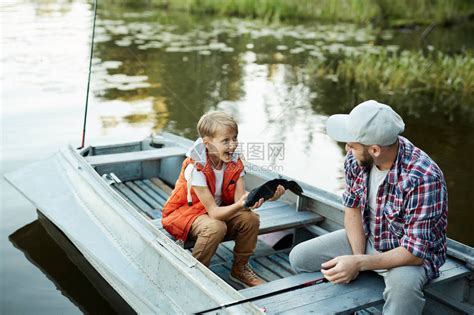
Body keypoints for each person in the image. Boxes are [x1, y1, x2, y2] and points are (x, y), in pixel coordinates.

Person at [289, 100, 448, 314]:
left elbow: (414, 253)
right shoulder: (356, 158)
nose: (347, 148)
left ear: (374, 149)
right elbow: (352, 209)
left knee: (402, 291)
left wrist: (360, 263)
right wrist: (356, 257)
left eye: (352, 145)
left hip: (406, 254)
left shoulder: (424, 177)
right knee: (300, 257)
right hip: (368, 238)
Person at [162, 111, 285, 287]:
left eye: (235, 138)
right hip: (186, 215)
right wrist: (242, 203)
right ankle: (196, 274)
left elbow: (239, 201)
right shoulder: (195, 167)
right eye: (225, 141)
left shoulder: (235, 161)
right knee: (215, 227)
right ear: (207, 143)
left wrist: (265, 197)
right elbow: (214, 212)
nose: (233, 145)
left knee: (250, 219)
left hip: (217, 212)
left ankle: (239, 269)